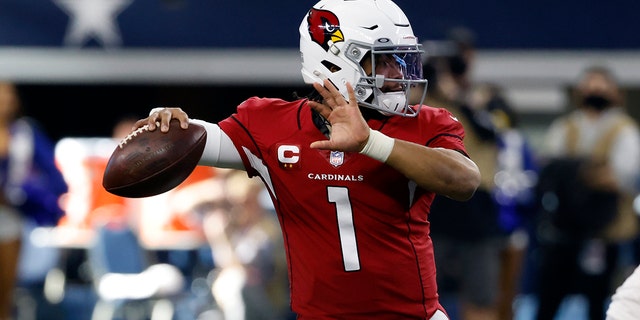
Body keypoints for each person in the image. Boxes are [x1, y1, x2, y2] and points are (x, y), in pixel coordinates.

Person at [130, 0, 481, 319]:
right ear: (334, 61)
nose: (397, 74)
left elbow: (464, 181)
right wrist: (173, 126)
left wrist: (371, 143)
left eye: (400, 59)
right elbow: (196, 140)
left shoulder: (423, 123)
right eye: (382, 60)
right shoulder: (269, 125)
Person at [533, 65, 640, 320]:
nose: (595, 92)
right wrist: (590, 170)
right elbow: (548, 168)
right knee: (549, 299)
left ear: (615, 94)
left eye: (601, 87)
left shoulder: (624, 129)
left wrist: (573, 172)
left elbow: (621, 177)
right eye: (590, 87)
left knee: (603, 301)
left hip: (607, 231)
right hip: (565, 231)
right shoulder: (565, 127)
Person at [0, 81, 68, 320]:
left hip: (10, 220)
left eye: (8, 95)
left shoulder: (25, 135)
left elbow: (57, 181)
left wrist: (23, 193)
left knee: (5, 296)